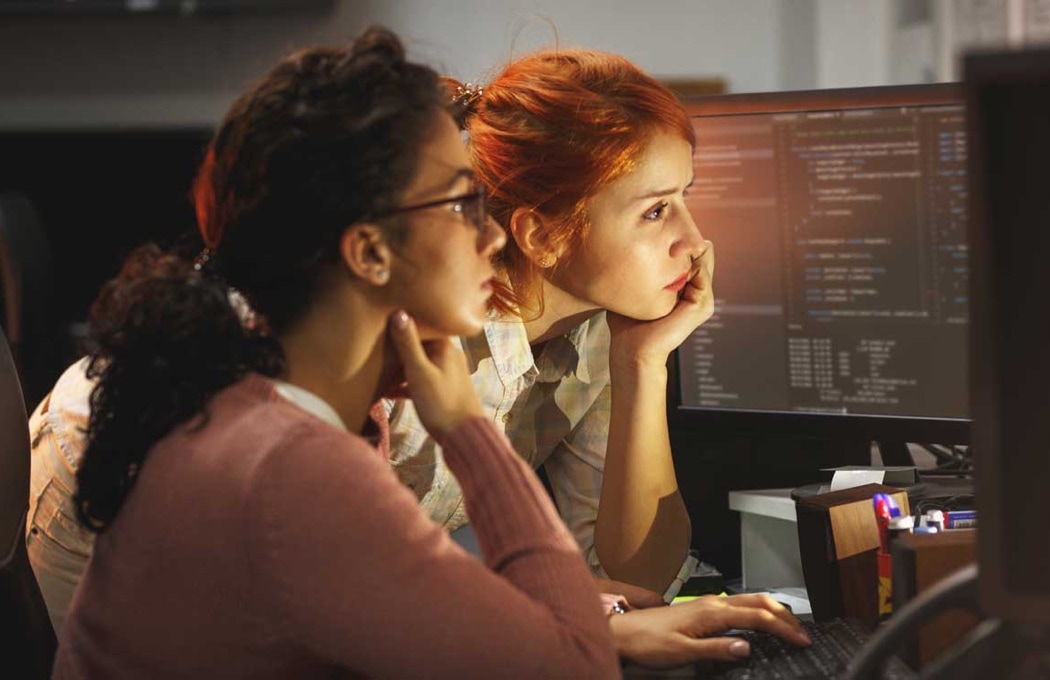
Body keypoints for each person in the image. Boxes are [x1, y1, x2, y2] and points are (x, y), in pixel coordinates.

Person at [51, 26, 622, 678]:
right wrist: (467, 430)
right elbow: (579, 668)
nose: (492, 235)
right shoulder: (291, 473)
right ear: (370, 252)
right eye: (464, 202)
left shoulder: (241, 408)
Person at [389, 46, 712, 602]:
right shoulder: (421, 334)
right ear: (542, 237)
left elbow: (640, 580)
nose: (695, 241)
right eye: (655, 211)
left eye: (685, 197)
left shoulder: (597, 330)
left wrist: (642, 362)